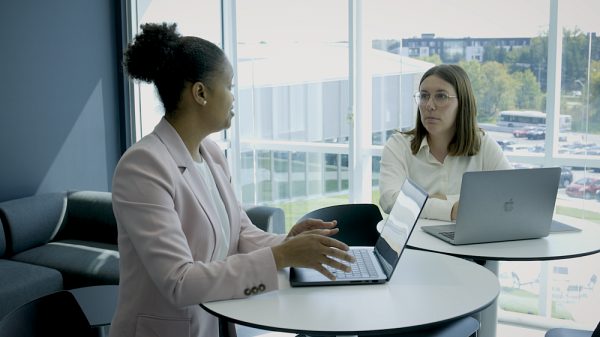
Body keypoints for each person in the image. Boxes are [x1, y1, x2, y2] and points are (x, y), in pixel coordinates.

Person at [110, 23, 355, 337]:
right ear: (200, 93)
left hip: (219, 323)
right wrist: (282, 256)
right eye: (229, 86)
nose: (233, 98)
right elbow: (178, 281)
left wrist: (288, 242)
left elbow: (239, 233)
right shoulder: (143, 166)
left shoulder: (210, 153)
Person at [379, 64, 511, 221]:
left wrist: (428, 200)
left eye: (441, 96)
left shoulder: (482, 143)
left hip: (469, 242)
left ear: (462, 102)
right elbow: (390, 200)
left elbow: (510, 195)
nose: (429, 105)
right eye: (424, 96)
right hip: (414, 243)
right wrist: (452, 209)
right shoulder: (398, 145)